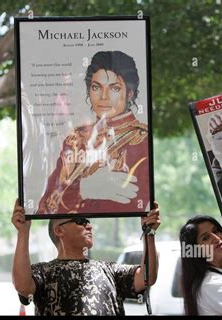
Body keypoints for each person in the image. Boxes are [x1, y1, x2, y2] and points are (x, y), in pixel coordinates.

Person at [37, 51, 150, 214]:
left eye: (115, 88)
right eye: (96, 87)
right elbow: (46, 208)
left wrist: (76, 194)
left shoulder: (140, 141)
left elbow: (131, 205)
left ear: (130, 93)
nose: (103, 97)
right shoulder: (74, 140)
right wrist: (83, 189)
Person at [12, 199, 160, 315]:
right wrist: (23, 232)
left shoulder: (109, 269)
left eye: (88, 222)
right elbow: (23, 287)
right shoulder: (43, 272)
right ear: (59, 230)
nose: (89, 226)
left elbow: (147, 277)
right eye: (81, 222)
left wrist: (149, 233)